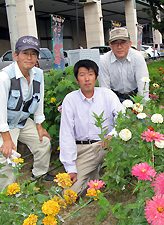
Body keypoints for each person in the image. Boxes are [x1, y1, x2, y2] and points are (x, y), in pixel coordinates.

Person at [0, 35, 53, 191]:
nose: (29, 58)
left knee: (43, 143)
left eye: (33, 54)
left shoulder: (38, 74)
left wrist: (39, 125)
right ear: (16, 55)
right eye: (25, 53)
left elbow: (39, 101)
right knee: (8, 156)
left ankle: (39, 176)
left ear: (36, 57)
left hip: (21, 120)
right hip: (0, 123)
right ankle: (4, 194)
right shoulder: (4, 77)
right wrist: (7, 139)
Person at [59, 59, 124, 196]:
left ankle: (101, 174)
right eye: (82, 75)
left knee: (121, 177)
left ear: (96, 78)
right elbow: (66, 134)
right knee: (70, 194)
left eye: (90, 74)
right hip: (84, 149)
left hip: (106, 145)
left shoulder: (107, 95)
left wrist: (113, 135)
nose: (87, 79)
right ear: (77, 80)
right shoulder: (70, 100)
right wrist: (70, 167)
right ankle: (95, 174)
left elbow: (122, 119)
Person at [99, 27, 150, 102]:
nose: (119, 47)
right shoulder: (104, 60)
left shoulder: (137, 57)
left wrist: (144, 105)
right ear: (110, 46)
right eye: (115, 43)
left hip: (135, 97)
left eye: (123, 42)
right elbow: (105, 88)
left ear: (129, 44)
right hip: (115, 98)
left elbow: (142, 83)